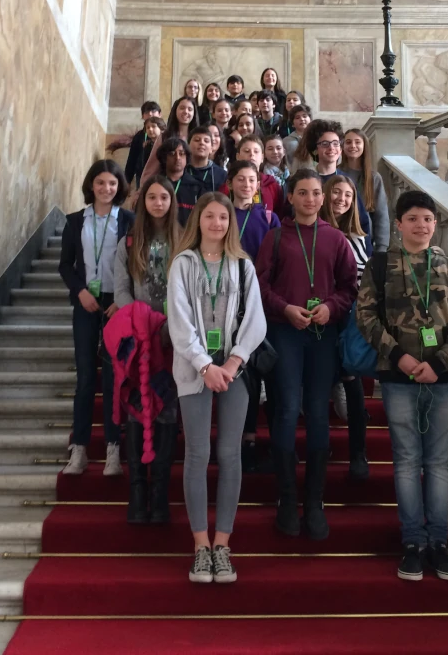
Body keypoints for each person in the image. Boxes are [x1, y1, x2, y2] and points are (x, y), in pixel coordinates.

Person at [357, 190, 448, 583]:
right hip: (397, 376)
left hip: (442, 380)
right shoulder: (380, 265)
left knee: (437, 464)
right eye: (413, 218)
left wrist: (438, 363)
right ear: (401, 224)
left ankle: (438, 543)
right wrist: (400, 359)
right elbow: (367, 317)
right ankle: (413, 543)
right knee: (407, 461)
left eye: (427, 218)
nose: (420, 225)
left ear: (434, 224)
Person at [167, 192, 267, 584]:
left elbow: (255, 320)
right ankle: (200, 547)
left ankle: (222, 545)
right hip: (195, 370)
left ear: (230, 223)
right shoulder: (183, 264)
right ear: (199, 221)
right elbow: (178, 320)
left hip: (234, 371)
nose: (217, 223)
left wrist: (231, 362)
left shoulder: (243, 265)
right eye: (209, 216)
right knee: (197, 453)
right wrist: (204, 365)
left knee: (229, 453)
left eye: (223, 217)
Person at [256, 169, 359, 540]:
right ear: (291, 196)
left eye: (316, 193)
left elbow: (350, 286)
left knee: (317, 411)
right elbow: (260, 286)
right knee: (285, 409)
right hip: (285, 332)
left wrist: (333, 306)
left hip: (323, 335)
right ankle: (287, 500)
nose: (311, 199)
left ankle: (314, 503)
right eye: (303, 192)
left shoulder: (336, 239)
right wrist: (285, 309)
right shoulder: (275, 237)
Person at [59, 160, 135, 476]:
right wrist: (80, 292)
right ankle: (79, 450)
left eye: (113, 184)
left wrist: (123, 298)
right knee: (87, 378)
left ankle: (113, 450)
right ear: (92, 185)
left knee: (114, 379)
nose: (107, 189)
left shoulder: (128, 220)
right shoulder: (75, 221)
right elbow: (65, 265)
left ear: (119, 188)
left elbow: (136, 262)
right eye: (101, 183)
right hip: (86, 303)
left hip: (116, 305)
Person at [113, 175, 181, 523]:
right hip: (138, 339)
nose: (157, 203)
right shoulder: (128, 241)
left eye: (163, 197)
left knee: (167, 410)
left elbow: (186, 287)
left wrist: (171, 326)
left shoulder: (184, 239)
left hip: (172, 339)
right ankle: (137, 493)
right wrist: (139, 320)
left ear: (171, 202)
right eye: (151, 197)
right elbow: (121, 287)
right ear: (143, 202)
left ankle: (160, 495)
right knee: (137, 410)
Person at [228, 159, 281, 472]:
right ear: (231, 182)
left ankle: (268, 440)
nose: (247, 185)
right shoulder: (224, 214)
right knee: (241, 373)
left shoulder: (268, 217)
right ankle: (243, 439)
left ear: (258, 185)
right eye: (241, 179)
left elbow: (277, 259)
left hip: (261, 301)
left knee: (263, 368)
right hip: (228, 302)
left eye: (252, 180)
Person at [321, 175, 370, 481]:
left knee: (352, 383)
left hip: (350, 319)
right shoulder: (315, 230)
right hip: (322, 317)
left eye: (348, 196)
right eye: (336, 193)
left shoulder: (361, 236)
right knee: (320, 384)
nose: (341, 199)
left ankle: (358, 453)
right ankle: (319, 445)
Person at [340, 128, 391, 254]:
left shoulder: (374, 178)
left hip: (365, 240)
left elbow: (381, 215)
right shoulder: (336, 174)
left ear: (364, 146)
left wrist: (382, 247)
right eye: (348, 142)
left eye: (357, 142)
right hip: (339, 237)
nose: (353, 146)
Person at [220, 136, 284, 219]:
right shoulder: (228, 186)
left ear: (262, 157)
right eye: (247, 151)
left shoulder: (272, 185)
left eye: (256, 151)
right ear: (238, 156)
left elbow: (279, 215)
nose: (252, 154)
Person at [141, 96, 199, 181]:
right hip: (167, 184)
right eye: (182, 108)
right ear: (175, 110)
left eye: (190, 109)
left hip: (193, 184)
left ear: (194, 113)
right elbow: (152, 166)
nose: (186, 112)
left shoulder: (199, 137)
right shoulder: (164, 137)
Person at [156, 137, 204, 227]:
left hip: (187, 237)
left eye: (182, 154)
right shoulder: (154, 185)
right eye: (172, 154)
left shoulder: (197, 187)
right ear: (164, 158)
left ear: (187, 158)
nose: (177, 158)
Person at [120, 101, 162, 186]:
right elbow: (132, 159)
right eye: (146, 112)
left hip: (162, 174)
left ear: (160, 114)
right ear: (143, 116)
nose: (150, 114)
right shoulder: (139, 136)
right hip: (142, 175)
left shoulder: (167, 134)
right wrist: (127, 181)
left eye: (153, 111)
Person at [187, 126, 228, 191]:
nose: (201, 143)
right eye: (197, 140)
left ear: (211, 149)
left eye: (206, 141)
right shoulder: (181, 171)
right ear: (188, 145)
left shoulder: (222, 175)